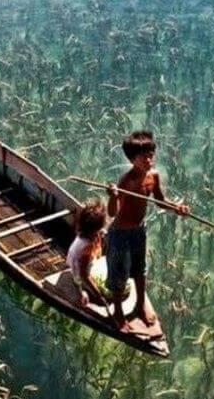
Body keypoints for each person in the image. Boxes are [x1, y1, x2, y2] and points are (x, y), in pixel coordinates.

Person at [106, 131, 189, 330]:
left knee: (140, 270)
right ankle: (118, 312)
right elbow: (112, 212)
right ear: (132, 160)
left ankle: (140, 305)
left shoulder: (153, 176)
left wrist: (176, 208)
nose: (149, 160)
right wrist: (113, 196)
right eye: (144, 158)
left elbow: (160, 201)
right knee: (119, 274)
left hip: (138, 231)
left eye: (151, 155)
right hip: (120, 233)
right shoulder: (126, 181)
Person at [66, 200, 107, 307]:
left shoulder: (83, 231)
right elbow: (84, 275)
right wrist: (99, 295)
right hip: (79, 275)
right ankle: (82, 291)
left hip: (77, 264)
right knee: (105, 288)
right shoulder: (87, 247)